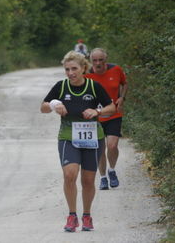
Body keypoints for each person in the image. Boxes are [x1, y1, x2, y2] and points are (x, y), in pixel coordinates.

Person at [40, 51, 115, 232]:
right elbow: (43, 107)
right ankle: (72, 216)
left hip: (92, 138)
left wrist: (97, 112)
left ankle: (87, 216)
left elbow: (112, 107)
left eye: (74, 69)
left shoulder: (93, 86)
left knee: (88, 181)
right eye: (67, 69)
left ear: (83, 68)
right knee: (69, 175)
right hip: (68, 137)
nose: (70, 73)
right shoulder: (61, 86)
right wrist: (53, 105)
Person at [85, 48, 128, 190]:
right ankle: (103, 177)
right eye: (94, 60)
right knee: (100, 148)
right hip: (95, 118)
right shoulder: (86, 75)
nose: (97, 63)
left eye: (100, 60)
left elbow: (124, 83)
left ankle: (112, 170)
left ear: (106, 59)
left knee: (112, 145)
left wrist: (122, 97)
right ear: (91, 61)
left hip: (113, 114)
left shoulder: (116, 70)